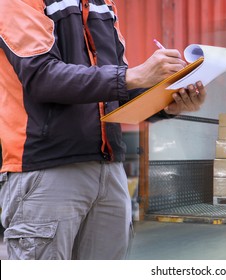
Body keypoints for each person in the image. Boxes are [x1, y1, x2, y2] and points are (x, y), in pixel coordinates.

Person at [0, 0, 206, 260]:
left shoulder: (104, 5)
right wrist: (134, 75)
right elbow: (42, 77)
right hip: (47, 169)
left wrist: (170, 104)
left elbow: (116, 93)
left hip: (108, 171)